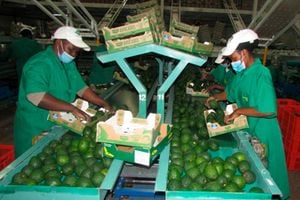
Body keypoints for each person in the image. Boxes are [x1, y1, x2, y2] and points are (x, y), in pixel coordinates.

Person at [207, 29, 290, 199]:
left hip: (265, 132)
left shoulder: (261, 74)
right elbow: (230, 93)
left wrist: (238, 111)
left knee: (270, 177)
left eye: (234, 58)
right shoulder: (241, 74)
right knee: (255, 172)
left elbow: (267, 110)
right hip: (251, 129)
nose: (232, 63)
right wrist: (213, 97)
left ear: (244, 53)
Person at [13, 26, 113, 157]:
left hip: (56, 122)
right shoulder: (39, 64)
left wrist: (102, 103)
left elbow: (81, 88)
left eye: (77, 52)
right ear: (59, 42)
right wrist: (71, 108)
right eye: (71, 49)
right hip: (36, 125)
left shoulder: (68, 64)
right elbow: (36, 96)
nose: (73, 55)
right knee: (29, 165)